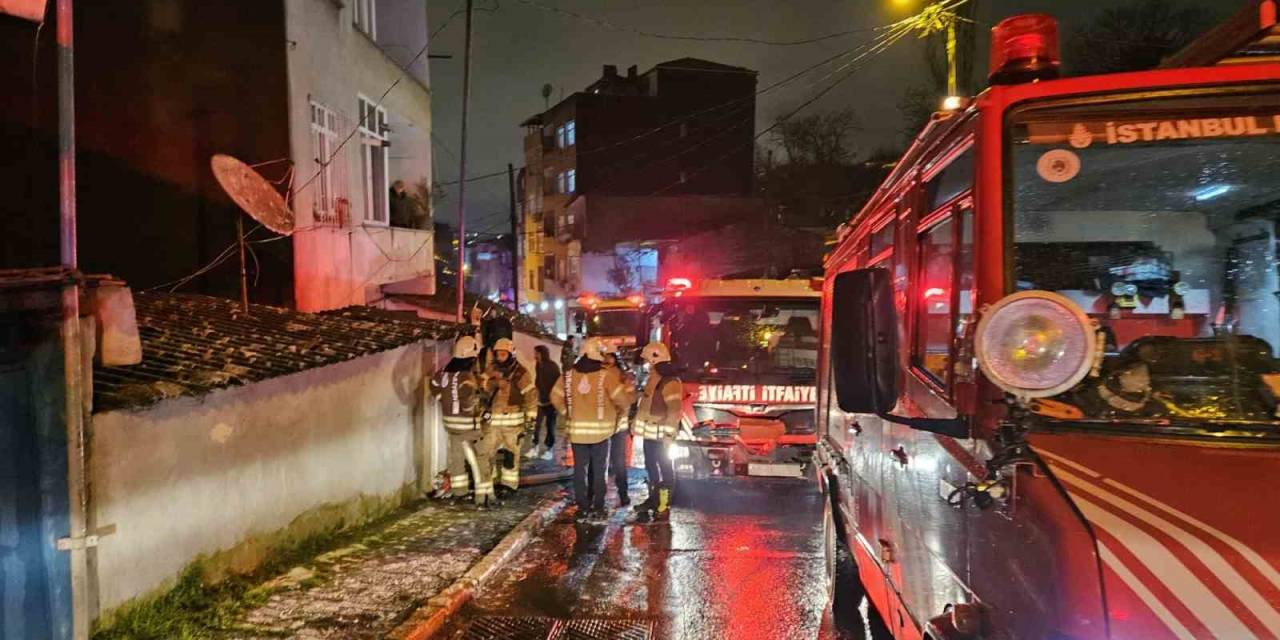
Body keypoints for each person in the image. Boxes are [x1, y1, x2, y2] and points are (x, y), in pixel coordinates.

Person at [551, 337, 633, 522]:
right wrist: (618, 415)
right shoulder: (606, 376)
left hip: (577, 433)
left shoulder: (568, 376)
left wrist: (567, 412)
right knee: (599, 470)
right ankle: (598, 507)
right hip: (601, 434)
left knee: (580, 471)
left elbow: (554, 396)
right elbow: (623, 401)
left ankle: (582, 508)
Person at [428, 336, 496, 508]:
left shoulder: (442, 373)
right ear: (470, 356)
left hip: (451, 425)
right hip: (468, 426)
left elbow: (433, 386)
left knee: (456, 460)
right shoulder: (469, 377)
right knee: (478, 460)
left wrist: (444, 400)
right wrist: (483, 413)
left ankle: (460, 493)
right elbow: (475, 399)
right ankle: (483, 497)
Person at [631, 342, 683, 522]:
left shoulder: (670, 382)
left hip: (662, 438)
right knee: (652, 470)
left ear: (656, 360)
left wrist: (669, 437)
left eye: (648, 361)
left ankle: (663, 504)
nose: (646, 365)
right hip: (650, 436)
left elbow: (674, 410)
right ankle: (653, 500)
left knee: (665, 471)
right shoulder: (654, 378)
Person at [483, 337, 536, 497]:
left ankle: (509, 485)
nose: (500, 357)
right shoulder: (490, 370)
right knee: (486, 453)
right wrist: (492, 384)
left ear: (510, 354)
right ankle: (487, 485)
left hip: (513, 424)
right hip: (492, 422)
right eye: (498, 354)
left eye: (503, 354)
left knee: (510, 455)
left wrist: (531, 418)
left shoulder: (520, 372)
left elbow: (530, 395)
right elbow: (482, 387)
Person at [603, 351, 635, 508]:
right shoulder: (623, 377)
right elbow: (630, 400)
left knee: (605, 461)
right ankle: (623, 495)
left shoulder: (602, 376)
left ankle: (598, 497)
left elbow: (629, 399)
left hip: (607, 424)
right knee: (618, 460)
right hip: (616, 424)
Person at [529, 345, 560, 461]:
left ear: (542, 353)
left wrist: (555, 398)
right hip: (541, 400)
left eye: (536, 353)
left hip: (551, 402)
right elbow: (538, 380)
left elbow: (558, 382)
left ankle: (549, 449)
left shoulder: (552, 366)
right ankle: (535, 446)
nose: (535, 355)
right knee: (537, 425)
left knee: (550, 426)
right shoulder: (538, 365)